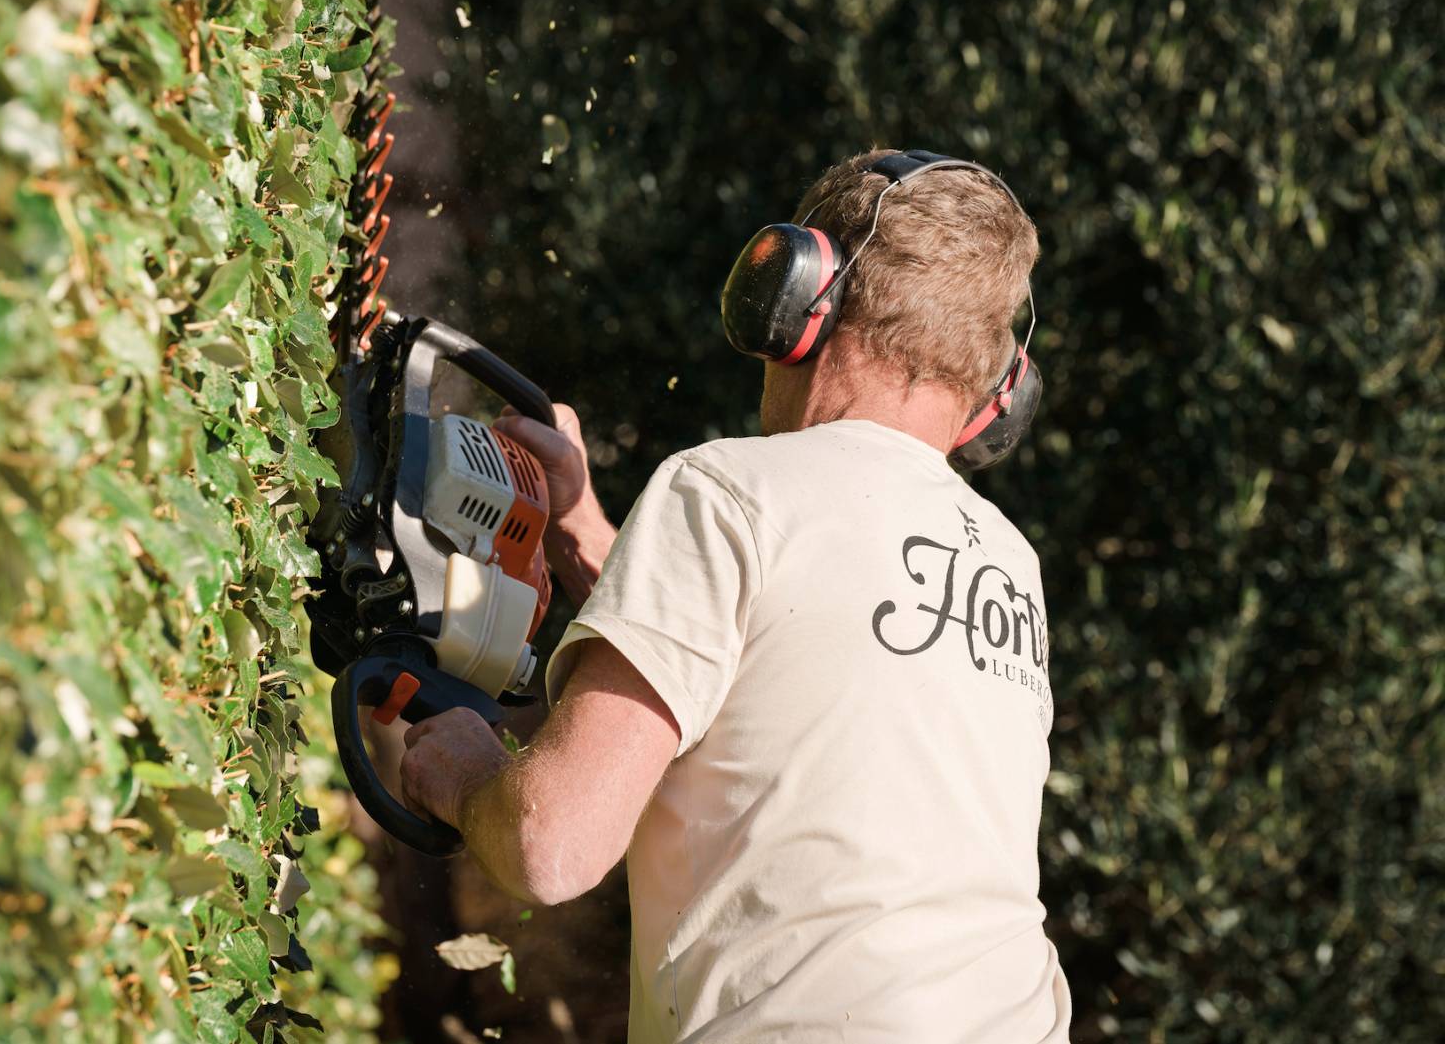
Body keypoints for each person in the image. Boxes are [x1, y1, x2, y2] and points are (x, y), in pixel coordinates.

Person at [389, 148, 1072, 1042]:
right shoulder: (1010, 567)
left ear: (792, 300)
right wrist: (585, 527)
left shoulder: (725, 489)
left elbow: (550, 847)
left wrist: (464, 771)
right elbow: (771, 656)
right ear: (995, 398)